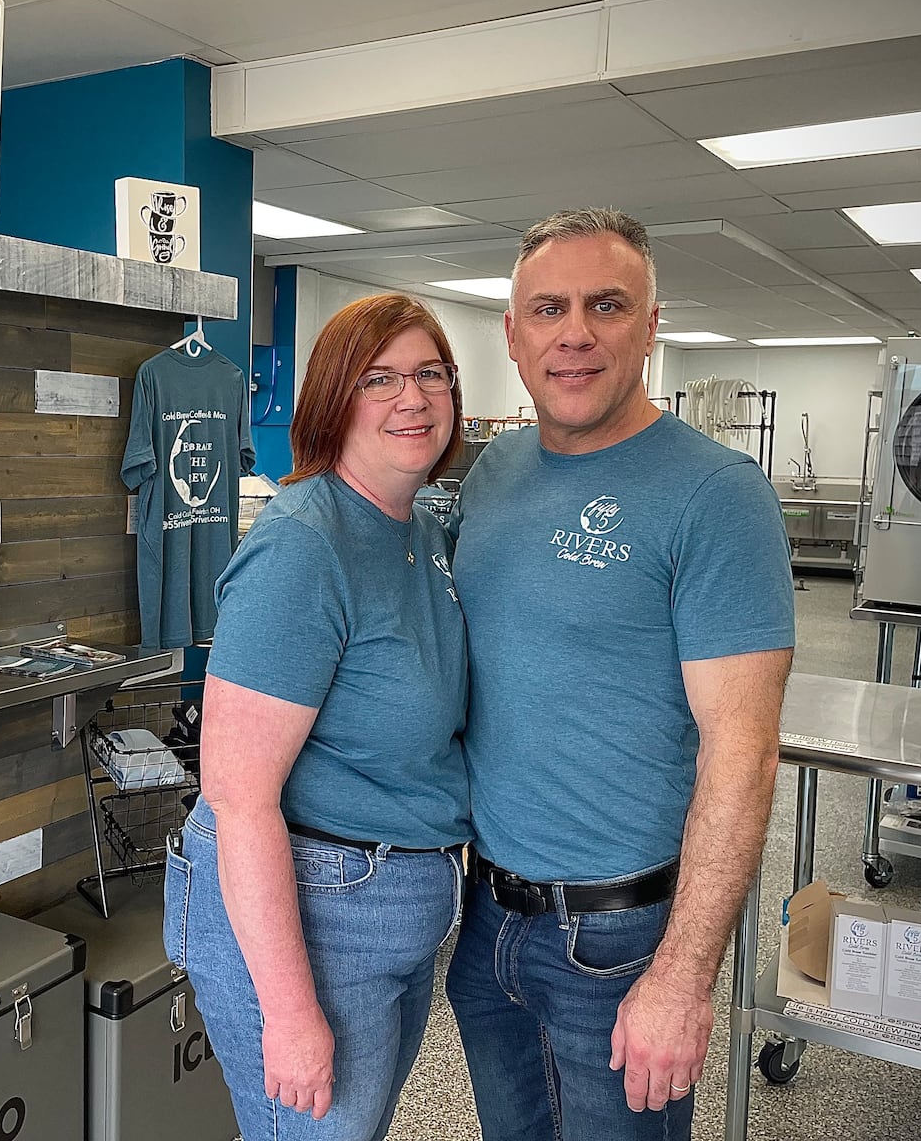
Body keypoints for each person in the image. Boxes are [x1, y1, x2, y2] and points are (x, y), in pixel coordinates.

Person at [446, 208, 795, 1141]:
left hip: (623, 939)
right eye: (547, 309)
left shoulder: (717, 496)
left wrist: (681, 978)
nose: (576, 333)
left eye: (607, 305)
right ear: (512, 337)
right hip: (487, 924)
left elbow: (744, 752)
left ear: (651, 325)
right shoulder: (494, 474)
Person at [163, 293, 471, 1141]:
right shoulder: (306, 543)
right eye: (380, 378)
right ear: (334, 397)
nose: (412, 398)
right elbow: (238, 796)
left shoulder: (415, 529)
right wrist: (291, 1016)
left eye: (429, 374)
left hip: (394, 913)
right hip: (314, 917)